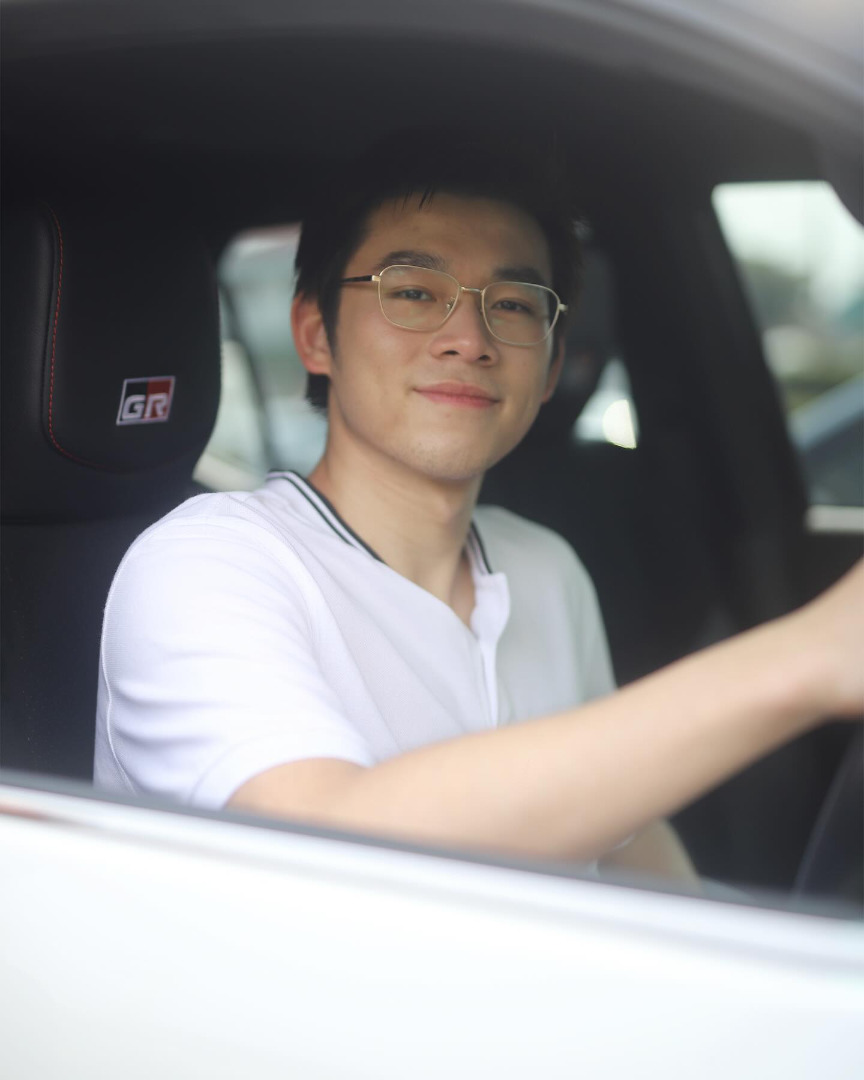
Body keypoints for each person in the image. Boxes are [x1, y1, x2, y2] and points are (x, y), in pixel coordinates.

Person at [94, 133, 863, 886]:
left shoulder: (547, 568)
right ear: (316, 334)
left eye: (516, 305)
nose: (469, 338)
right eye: (414, 293)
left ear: (550, 367)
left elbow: (624, 836)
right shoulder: (206, 565)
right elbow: (326, 851)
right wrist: (807, 658)